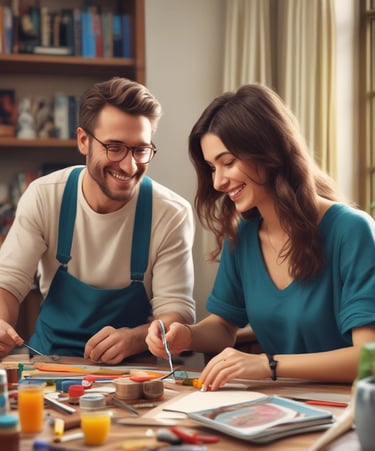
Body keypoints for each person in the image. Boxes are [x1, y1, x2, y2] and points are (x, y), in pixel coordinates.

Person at [146, 83, 375, 389]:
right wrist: (185, 335)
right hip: (279, 405)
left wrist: (269, 365)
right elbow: (224, 326)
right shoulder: (241, 237)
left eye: (228, 163)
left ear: (269, 150)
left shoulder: (352, 230)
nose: (218, 181)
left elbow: (366, 359)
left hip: (346, 410)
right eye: (212, 167)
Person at [0, 77, 195, 364]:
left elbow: (176, 311)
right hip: (50, 362)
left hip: (133, 369)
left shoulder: (170, 213)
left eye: (140, 150)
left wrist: (134, 338)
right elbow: (9, 283)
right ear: (83, 140)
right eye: (114, 147)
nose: (129, 166)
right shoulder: (44, 196)